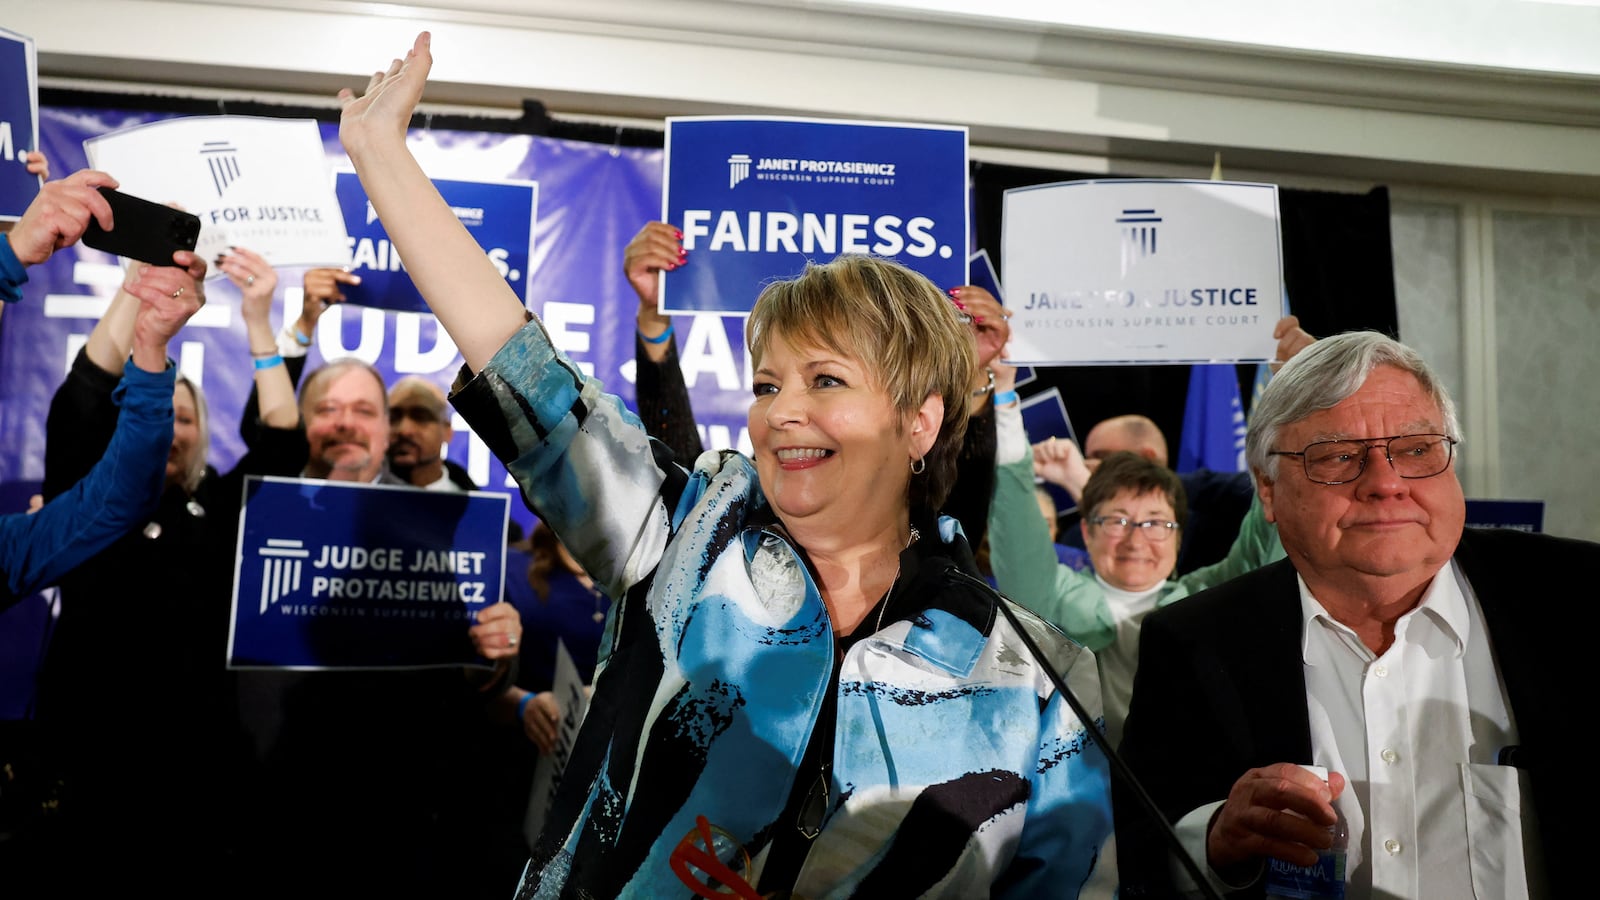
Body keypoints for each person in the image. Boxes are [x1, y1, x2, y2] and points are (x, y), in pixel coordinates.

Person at [337, 31, 1114, 899]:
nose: (781, 411)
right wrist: (380, 156)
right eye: (767, 382)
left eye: (825, 380)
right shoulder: (689, 532)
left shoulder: (1032, 676)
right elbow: (525, 374)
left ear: (921, 420)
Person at [1116, 330, 1592, 899]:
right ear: (1268, 492)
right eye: (1338, 458)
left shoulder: (1580, 599)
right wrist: (1218, 842)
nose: (1386, 483)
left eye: (1416, 449)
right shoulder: (1194, 642)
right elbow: (1140, 858)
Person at [0, 167, 193, 610]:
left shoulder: (10, 553)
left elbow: (119, 498)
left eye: (184, 419)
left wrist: (150, 346)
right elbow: (86, 394)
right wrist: (10, 254)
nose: (175, 434)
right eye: (171, 417)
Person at [1050, 317, 1316, 575]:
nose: (1135, 540)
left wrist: (1301, 394)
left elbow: (1274, 502)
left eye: (1155, 522)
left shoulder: (1213, 505)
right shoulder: (1074, 545)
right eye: (1118, 521)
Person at [388, 372, 479, 489]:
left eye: (420, 417)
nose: (404, 430)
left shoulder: (476, 503)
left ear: (447, 431)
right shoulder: (360, 498)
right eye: (393, 418)